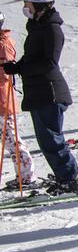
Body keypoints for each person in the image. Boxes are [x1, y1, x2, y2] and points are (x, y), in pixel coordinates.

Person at [1, 0, 78, 195]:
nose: (25, 7)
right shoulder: (37, 27)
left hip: (50, 92)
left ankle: (70, 178)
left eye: (27, 3)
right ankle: (64, 175)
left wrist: (22, 68)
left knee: (52, 139)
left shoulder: (52, 30)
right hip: (39, 93)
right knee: (47, 140)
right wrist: (17, 67)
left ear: (37, 4)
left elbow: (49, 63)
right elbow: (33, 57)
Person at [0, 11, 34, 189]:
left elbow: (6, 73)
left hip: (2, 101)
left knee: (11, 139)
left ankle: (26, 175)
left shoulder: (3, 45)